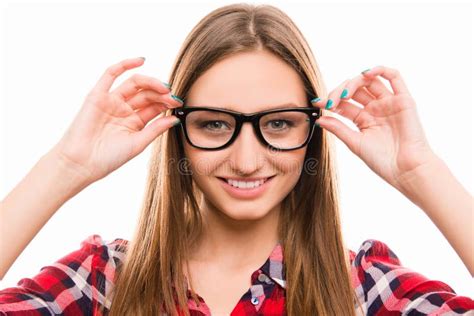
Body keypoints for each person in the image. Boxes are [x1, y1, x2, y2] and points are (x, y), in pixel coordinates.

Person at [0, 3, 473, 316]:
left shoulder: (364, 291)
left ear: (312, 133)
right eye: (214, 124)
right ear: (177, 132)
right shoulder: (102, 281)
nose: (247, 160)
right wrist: (66, 165)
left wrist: (421, 172)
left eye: (279, 124)